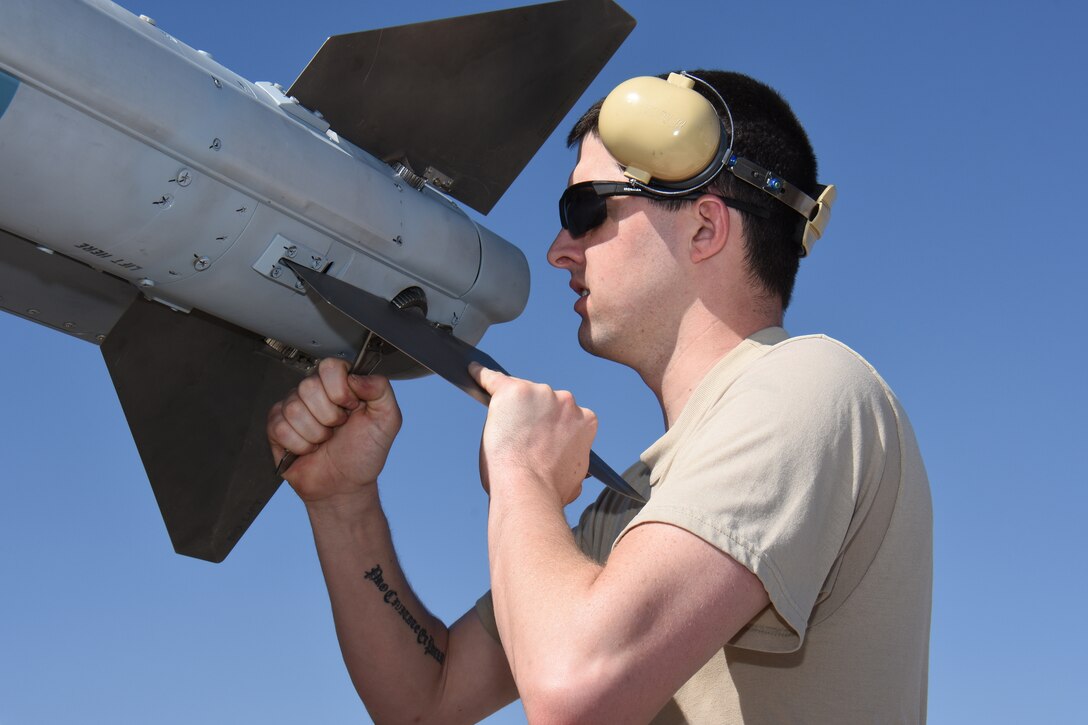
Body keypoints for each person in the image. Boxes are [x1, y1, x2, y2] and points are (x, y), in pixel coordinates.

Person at [267, 69, 932, 724]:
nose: (559, 250)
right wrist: (343, 505)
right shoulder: (642, 496)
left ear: (705, 228)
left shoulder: (810, 383)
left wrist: (521, 468)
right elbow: (425, 701)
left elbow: (573, 696)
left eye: (585, 211)